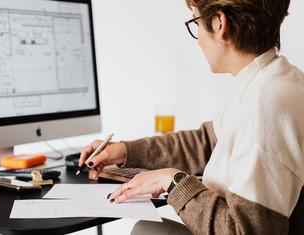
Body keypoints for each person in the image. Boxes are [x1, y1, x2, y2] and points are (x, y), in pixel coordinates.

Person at [79, 0, 304, 234]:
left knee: (146, 231)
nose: (197, 39)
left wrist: (172, 181)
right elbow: (206, 142)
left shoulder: (266, 104)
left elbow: (245, 230)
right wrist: (126, 150)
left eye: (196, 22)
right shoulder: (275, 80)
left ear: (219, 23)